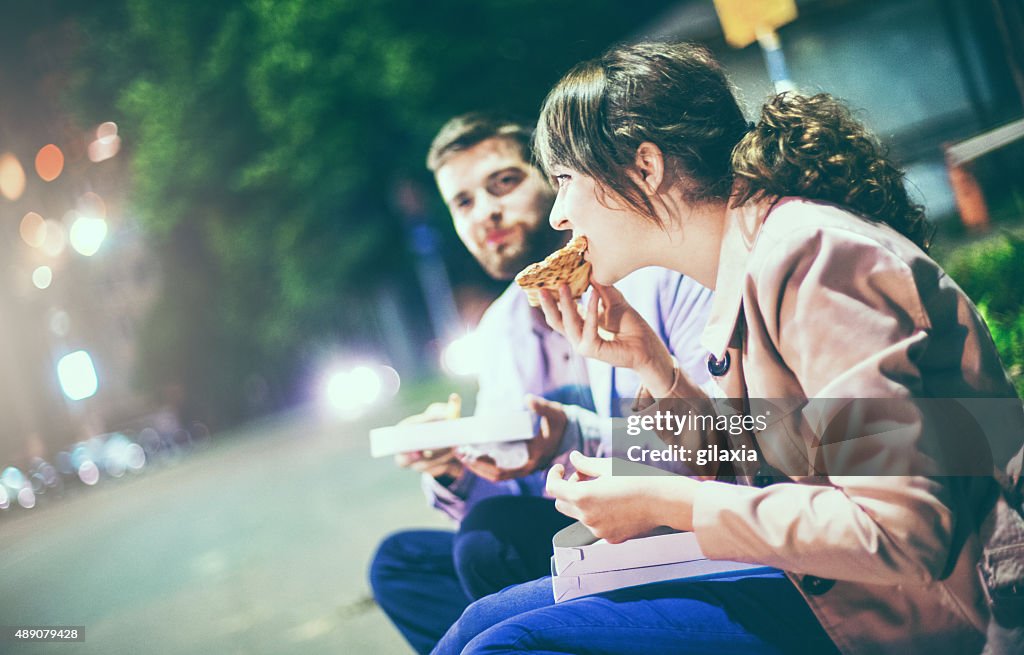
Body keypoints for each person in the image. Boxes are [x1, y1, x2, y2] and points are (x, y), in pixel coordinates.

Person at [432, 42, 1024, 655]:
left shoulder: (813, 258)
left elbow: (904, 531)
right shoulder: (751, 258)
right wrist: (654, 368)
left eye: (564, 182)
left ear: (645, 167)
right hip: (834, 581)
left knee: (508, 645)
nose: (557, 216)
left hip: (930, 611)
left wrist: (670, 500)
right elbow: (766, 452)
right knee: (480, 624)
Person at [368, 112, 715, 654]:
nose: (487, 212)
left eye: (503, 183)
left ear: (557, 185)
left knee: (488, 540)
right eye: (463, 203)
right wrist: (456, 467)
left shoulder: (647, 275)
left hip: (670, 525)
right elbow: (513, 484)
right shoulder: (500, 328)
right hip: (570, 524)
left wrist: (572, 435)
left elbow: (734, 441)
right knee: (400, 562)